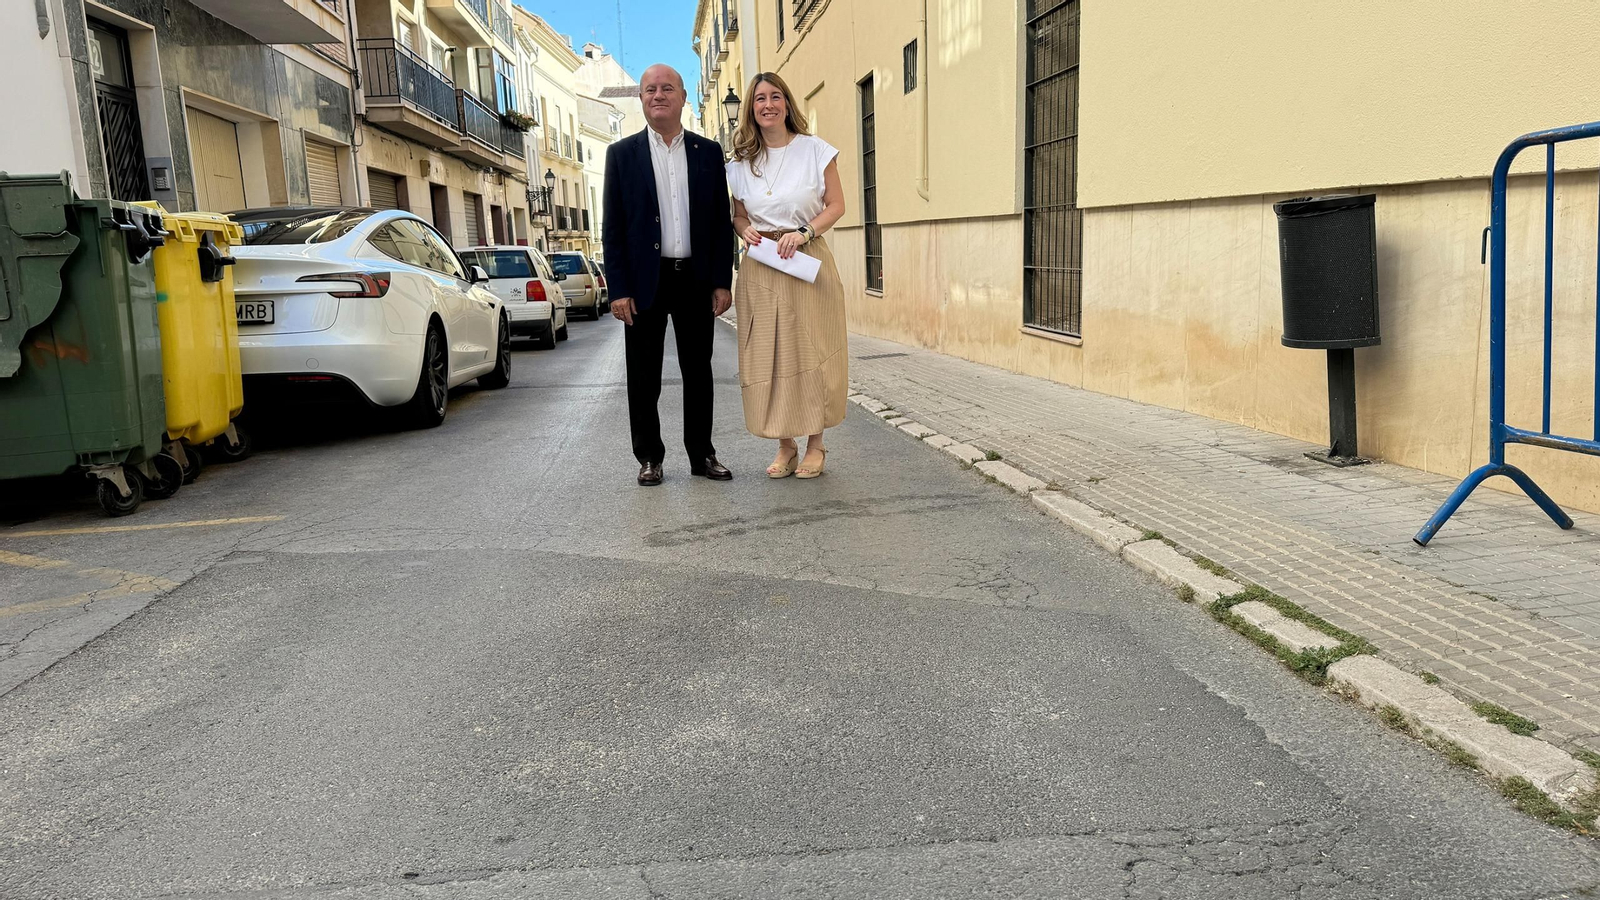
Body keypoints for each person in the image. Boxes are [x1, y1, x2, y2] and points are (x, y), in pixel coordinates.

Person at [602, 64, 735, 486]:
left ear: (681, 98)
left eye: (667, 89)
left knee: (699, 371)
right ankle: (650, 457)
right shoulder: (621, 155)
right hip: (645, 282)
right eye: (649, 90)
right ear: (641, 99)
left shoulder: (707, 152)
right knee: (643, 375)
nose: (658, 95)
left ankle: (702, 454)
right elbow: (613, 228)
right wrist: (618, 288)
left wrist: (721, 280)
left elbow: (719, 220)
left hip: (694, 278)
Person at [727, 73, 848, 479]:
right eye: (759, 98)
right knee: (771, 355)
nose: (768, 104)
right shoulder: (741, 164)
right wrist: (742, 228)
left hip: (806, 257)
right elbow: (739, 212)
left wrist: (804, 233)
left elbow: (836, 204)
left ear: (787, 103)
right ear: (751, 109)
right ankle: (785, 444)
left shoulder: (815, 150)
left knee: (812, 351)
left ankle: (816, 443)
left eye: (775, 96)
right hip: (762, 263)